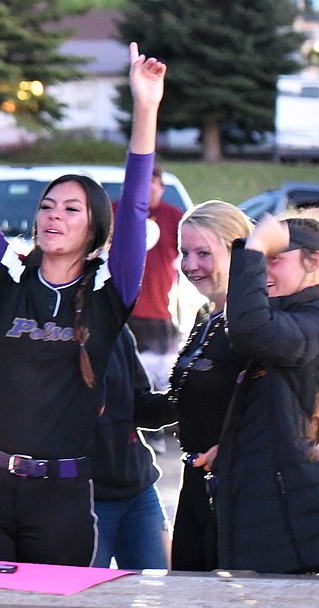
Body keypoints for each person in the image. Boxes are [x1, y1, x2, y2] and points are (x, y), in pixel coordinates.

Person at [0, 36, 164, 565]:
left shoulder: (110, 295)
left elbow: (135, 206)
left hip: (61, 498)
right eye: (47, 206)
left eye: (71, 208)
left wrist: (145, 106)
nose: (53, 216)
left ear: (95, 226)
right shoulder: (8, 279)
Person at [212, 215, 319, 573]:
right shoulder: (292, 314)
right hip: (260, 499)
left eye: (275, 259)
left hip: (283, 512)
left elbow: (251, 329)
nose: (264, 269)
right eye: (264, 260)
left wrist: (255, 249)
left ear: (314, 262)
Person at [167, 200, 253, 571]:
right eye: (185, 253)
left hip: (237, 492)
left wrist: (229, 449)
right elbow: (182, 398)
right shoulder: (206, 316)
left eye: (203, 253)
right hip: (195, 484)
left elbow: (275, 405)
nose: (190, 265)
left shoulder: (254, 323)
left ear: (240, 253)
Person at [91, 326, 175, 569]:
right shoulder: (43, 330)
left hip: (138, 491)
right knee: (84, 600)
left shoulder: (117, 329)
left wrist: (182, 398)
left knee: (159, 588)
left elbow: (140, 406)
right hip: (83, 497)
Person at [123, 166, 184, 392]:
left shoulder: (176, 218)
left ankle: (160, 428)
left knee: (160, 384)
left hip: (159, 315)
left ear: (161, 188)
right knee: (123, 378)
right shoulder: (116, 212)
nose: (146, 190)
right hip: (122, 312)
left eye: (152, 184)